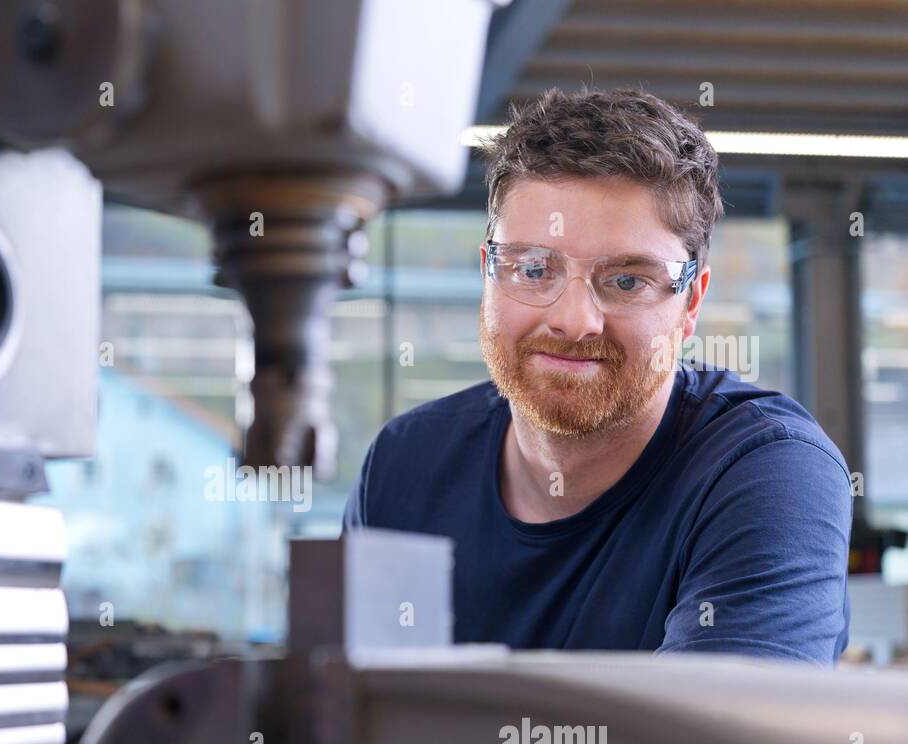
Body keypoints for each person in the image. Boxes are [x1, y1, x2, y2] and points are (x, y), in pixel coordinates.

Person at [344, 87, 852, 666]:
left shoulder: (767, 472)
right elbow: (344, 730)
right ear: (487, 274)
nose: (573, 320)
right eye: (533, 269)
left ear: (690, 306)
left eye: (627, 280)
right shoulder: (405, 464)